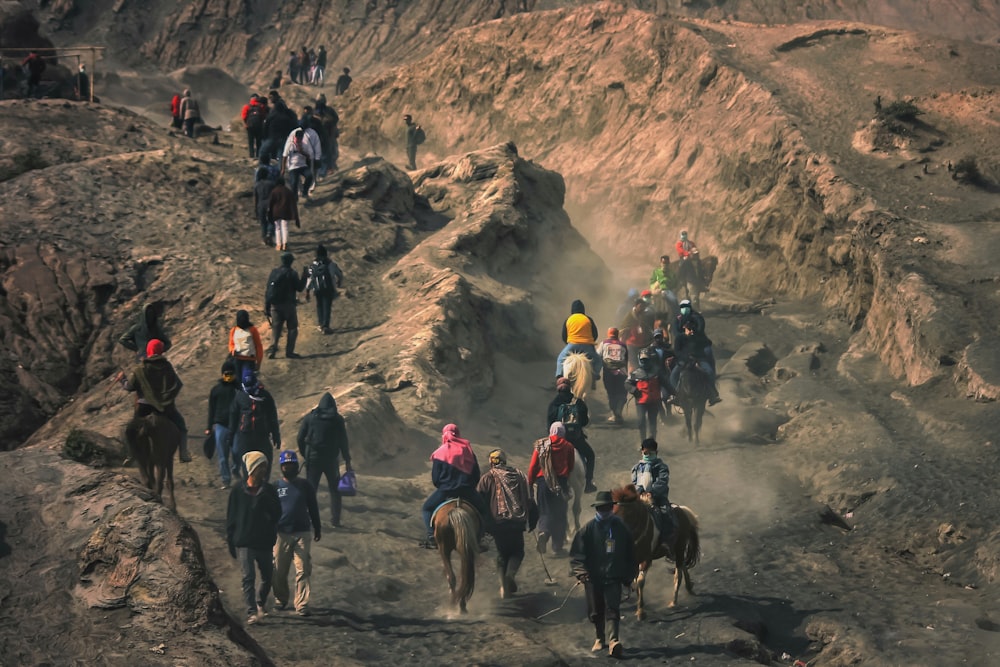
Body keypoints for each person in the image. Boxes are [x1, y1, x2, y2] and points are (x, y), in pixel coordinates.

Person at [569, 490, 638, 658]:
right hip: (592, 578)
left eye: (607, 507)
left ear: (611, 508)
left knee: (613, 609)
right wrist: (581, 572)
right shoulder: (587, 529)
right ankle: (600, 638)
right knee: (595, 611)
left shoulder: (621, 528)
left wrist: (629, 576)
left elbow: (631, 554)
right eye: (601, 508)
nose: (604, 511)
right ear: (597, 509)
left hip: (614, 576)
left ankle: (614, 641)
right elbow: (577, 555)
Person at [226, 450, 282, 626]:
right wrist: (230, 540)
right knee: (248, 577)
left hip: (264, 542)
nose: (263, 470)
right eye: (260, 467)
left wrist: (266, 501)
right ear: (252, 468)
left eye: (265, 467)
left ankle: (260, 602)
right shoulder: (237, 490)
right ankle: (251, 612)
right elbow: (231, 517)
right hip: (245, 542)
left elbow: (277, 514)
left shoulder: (269, 490)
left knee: (267, 576)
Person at [419, 424, 490, 549]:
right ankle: (481, 537)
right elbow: (476, 474)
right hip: (467, 491)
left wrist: (443, 486)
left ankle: (431, 536)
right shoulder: (467, 450)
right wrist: (470, 486)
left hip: (445, 491)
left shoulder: (440, 452)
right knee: (484, 510)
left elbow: (435, 478)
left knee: (426, 509)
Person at [120, 339, 192, 462]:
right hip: (165, 409)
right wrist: (166, 399)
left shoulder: (140, 368)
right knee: (182, 427)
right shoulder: (167, 366)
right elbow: (178, 384)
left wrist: (123, 379)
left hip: (144, 408)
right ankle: (183, 453)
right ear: (160, 351)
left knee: (128, 430)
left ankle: (131, 455)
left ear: (148, 350)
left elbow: (129, 387)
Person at [476, 448, 535, 598]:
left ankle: (503, 587)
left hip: (498, 524)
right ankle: (510, 575)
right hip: (517, 523)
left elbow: (479, 501)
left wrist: (484, 525)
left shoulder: (487, 477)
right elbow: (529, 499)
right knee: (517, 552)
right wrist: (533, 520)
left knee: (502, 554)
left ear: (491, 462)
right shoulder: (519, 475)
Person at [273, 450, 322, 616]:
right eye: (286, 465)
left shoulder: (305, 485)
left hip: (302, 532)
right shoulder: (276, 487)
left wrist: (317, 527)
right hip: (281, 534)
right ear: (281, 466)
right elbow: (269, 511)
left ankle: (301, 604)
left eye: (292, 464)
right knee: (279, 570)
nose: (289, 467)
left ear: (296, 466)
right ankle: (281, 599)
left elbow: (313, 507)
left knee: (303, 569)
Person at [297, 393, 353, 528]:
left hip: (313, 460)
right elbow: (343, 441)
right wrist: (347, 459)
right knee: (335, 490)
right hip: (331, 460)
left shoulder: (310, 418)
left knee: (311, 490)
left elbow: (300, 437)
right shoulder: (337, 419)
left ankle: (308, 519)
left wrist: (305, 454)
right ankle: (336, 520)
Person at [527, 422, 575, 556]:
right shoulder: (568, 446)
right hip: (561, 483)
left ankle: (544, 532)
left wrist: (530, 483)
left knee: (545, 510)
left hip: (543, 482)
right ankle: (557, 547)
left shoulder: (541, 445)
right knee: (559, 514)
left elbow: (533, 467)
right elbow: (570, 466)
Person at [228, 368, 282, 481]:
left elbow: (272, 416)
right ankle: (248, 489)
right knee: (246, 467)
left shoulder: (265, 396)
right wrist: (231, 435)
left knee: (265, 463)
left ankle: (264, 487)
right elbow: (233, 416)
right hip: (245, 437)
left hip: (262, 436)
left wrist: (276, 434)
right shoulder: (240, 396)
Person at [547, 376, 597, 493]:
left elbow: (550, 425)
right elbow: (584, 422)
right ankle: (589, 483)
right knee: (590, 455)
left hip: (559, 440)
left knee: (546, 459)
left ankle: (547, 481)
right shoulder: (578, 402)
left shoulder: (553, 405)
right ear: (570, 388)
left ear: (558, 388)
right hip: (576, 439)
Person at [630, 438, 674, 545]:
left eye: (651, 453)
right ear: (642, 451)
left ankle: (666, 541)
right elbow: (635, 482)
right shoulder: (636, 468)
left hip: (657, 498)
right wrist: (640, 491)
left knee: (666, 513)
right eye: (646, 452)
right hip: (640, 497)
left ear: (656, 453)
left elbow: (662, 482)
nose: (648, 455)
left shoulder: (661, 467)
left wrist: (652, 492)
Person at [264, 252, 305, 359]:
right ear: (291, 262)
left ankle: (272, 350)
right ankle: (289, 352)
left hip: (275, 305)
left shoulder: (274, 272)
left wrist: (267, 306)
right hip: (288, 306)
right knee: (292, 328)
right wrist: (305, 276)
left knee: (276, 328)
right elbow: (299, 288)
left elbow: (268, 290)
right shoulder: (292, 273)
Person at [206, 360, 240, 489]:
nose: (228, 376)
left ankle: (235, 469)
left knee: (237, 452)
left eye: (231, 373)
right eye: (226, 373)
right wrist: (209, 427)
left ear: (235, 374)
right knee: (222, 456)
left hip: (236, 426)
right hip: (221, 426)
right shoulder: (215, 390)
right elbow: (211, 409)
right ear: (222, 374)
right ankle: (226, 480)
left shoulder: (239, 389)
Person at [671, 320, 722, 405]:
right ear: (684, 328)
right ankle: (677, 395)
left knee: (709, 371)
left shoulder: (698, 336)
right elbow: (677, 352)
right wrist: (686, 357)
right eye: (689, 328)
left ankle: (712, 394)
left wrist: (698, 336)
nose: (691, 330)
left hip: (699, 359)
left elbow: (708, 343)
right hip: (684, 361)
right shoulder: (679, 338)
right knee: (673, 375)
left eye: (692, 328)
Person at [625, 346, 667, 442]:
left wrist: (675, 394)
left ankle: (652, 442)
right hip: (641, 402)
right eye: (642, 360)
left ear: (650, 360)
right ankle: (643, 442)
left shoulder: (657, 372)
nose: (644, 362)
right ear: (639, 359)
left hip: (654, 402)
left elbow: (666, 384)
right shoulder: (635, 374)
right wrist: (634, 390)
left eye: (646, 360)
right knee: (641, 422)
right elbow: (627, 383)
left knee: (652, 423)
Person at [554, 299, 601, 382]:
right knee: (598, 360)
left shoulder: (568, 319)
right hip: (587, 346)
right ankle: (595, 375)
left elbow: (564, 335)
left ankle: (559, 376)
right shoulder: (588, 319)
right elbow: (595, 334)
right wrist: (590, 342)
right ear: (583, 309)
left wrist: (568, 343)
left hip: (572, 345)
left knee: (560, 359)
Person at [304, 244, 344, 335]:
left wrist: (307, 291)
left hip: (317, 289)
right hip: (328, 288)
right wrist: (339, 282)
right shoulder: (331, 264)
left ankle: (321, 324)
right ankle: (326, 326)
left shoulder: (313, 266)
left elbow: (310, 279)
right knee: (327, 306)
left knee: (319, 306)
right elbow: (340, 275)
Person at [596, 327, 629, 424]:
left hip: (608, 373)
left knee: (611, 394)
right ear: (617, 334)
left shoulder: (604, 343)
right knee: (622, 393)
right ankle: (619, 411)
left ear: (608, 334)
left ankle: (615, 414)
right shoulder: (623, 345)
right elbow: (626, 360)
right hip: (622, 374)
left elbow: (598, 356)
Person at [282, 126, 321, 201]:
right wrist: (283, 168)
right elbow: (284, 156)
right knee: (294, 183)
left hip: (302, 166)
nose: (299, 140)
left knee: (309, 176)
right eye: (298, 138)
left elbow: (309, 156)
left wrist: (302, 152)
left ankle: (305, 192)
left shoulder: (305, 144)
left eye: (301, 138)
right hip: (292, 167)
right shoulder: (290, 144)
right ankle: (294, 198)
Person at [619, 297, 653, 372]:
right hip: (631, 344)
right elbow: (623, 329)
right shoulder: (629, 316)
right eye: (641, 306)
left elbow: (647, 327)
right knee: (633, 364)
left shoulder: (643, 315)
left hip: (642, 344)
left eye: (644, 307)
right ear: (636, 306)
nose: (643, 308)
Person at [228, 309, 265, 375]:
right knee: (238, 379)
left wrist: (258, 362)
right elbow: (231, 344)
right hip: (238, 359)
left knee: (247, 379)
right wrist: (232, 350)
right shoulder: (233, 330)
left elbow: (258, 346)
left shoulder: (253, 330)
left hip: (249, 360)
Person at [267, 178, 299, 252]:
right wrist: (294, 213)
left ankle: (278, 244)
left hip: (276, 212)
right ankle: (285, 244)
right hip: (285, 212)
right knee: (285, 227)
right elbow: (292, 202)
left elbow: (270, 203)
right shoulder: (288, 191)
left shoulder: (274, 191)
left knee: (277, 228)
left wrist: (269, 212)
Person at [313, 94, 340, 176]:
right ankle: (323, 170)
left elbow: (335, 119)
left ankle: (329, 167)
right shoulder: (314, 112)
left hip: (329, 134)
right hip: (320, 136)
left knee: (331, 151)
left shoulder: (329, 111)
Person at [253, 165, 277, 246]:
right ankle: (270, 233)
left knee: (263, 222)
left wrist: (255, 209)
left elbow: (255, 198)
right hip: (270, 203)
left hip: (260, 204)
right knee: (271, 221)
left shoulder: (257, 185)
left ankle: (264, 238)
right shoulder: (272, 184)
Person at [242, 93, 267, 159]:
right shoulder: (261, 106)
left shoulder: (247, 106)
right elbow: (264, 116)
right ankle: (258, 155)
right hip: (259, 126)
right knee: (258, 142)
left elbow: (244, 116)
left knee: (251, 142)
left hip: (250, 126)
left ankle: (251, 155)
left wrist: (246, 123)